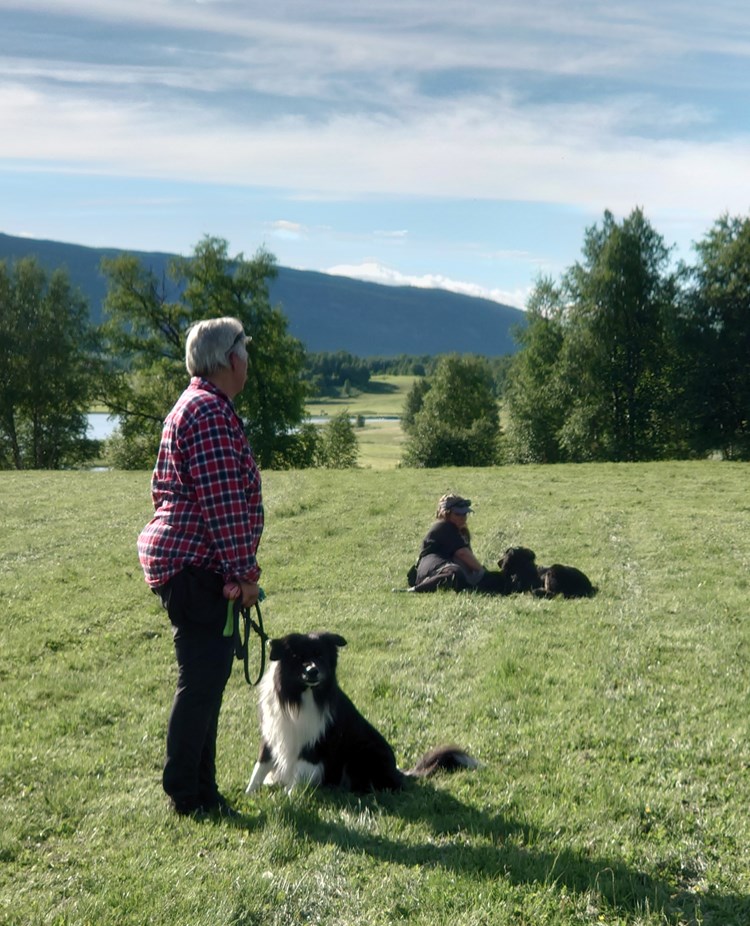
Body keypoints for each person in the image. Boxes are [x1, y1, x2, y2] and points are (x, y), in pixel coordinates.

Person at [137, 317, 263, 818]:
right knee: (201, 682)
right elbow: (224, 504)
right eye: (245, 351)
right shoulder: (209, 412)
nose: (248, 360)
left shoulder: (200, 406)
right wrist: (244, 574)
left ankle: (203, 791)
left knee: (206, 681)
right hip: (197, 570)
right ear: (229, 358)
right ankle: (185, 793)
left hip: (192, 566)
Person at [411, 494, 508, 594]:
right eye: (457, 514)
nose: (462, 518)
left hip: (447, 565)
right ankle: (416, 589)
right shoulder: (443, 526)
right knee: (454, 574)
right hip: (431, 568)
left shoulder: (461, 531)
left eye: (464, 514)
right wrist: (484, 574)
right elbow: (462, 554)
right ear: (446, 514)